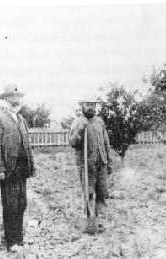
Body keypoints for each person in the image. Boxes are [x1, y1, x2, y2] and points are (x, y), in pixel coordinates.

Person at [0, 85, 36, 252]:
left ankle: (19, 238)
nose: (15, 101)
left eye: (17, 98)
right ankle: (11, 242)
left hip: (22, 168)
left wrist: (31, 165)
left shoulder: (21, 119)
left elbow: (27, 145)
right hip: (8, 169)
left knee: (22, 203)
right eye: (11, 98)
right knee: (10, 205)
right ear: (5, 100)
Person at [69, 97, 111, 234]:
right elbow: (73, 143)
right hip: (87, 165)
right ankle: (90, 223)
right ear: (82, 106)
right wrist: (80, 130)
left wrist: (108, 160)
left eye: (93, 104)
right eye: (88, 105)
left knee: (102, 193)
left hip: (101, 163)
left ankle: (97, 221)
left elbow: (106, 142)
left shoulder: (99, 121)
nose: (91, 107)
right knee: (89, 194)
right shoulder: (78, 122)